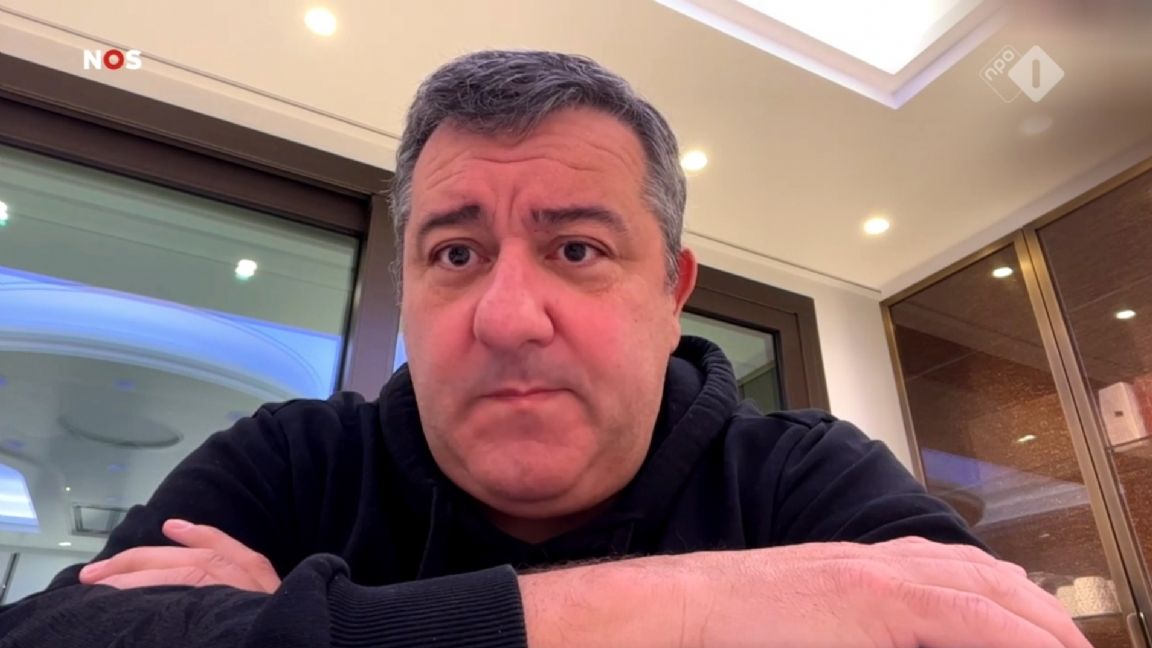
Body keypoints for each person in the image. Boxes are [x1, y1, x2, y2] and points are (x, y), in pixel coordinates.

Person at [0, 50, 1088, 648]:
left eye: (576, 249)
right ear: (408, 291)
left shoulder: (804, 476)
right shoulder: (292, 462)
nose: (508, 316)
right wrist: (700, 607)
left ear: (672, 293)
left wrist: (280, 626)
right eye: (456, 254)